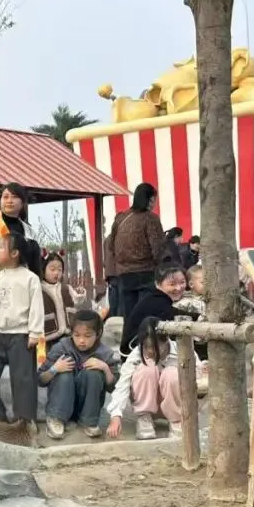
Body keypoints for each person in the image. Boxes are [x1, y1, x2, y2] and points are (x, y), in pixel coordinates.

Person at [0, 233, 44, 433]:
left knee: (23, 378)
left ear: (15, 253)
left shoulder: (30, 278)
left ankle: (24, 419)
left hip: (21, 334)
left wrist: (35, 332)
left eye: (2, 247)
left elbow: (37, 307)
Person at [40, 310, 118, 439]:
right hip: (61, 405)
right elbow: (40, 380)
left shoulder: (104, 353)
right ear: (71, 333)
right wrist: (54, 369)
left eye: (87, 336)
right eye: (77, 335)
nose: (81, 340)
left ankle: (88, 422)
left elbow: (114, 388)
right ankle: (56, 419)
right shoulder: (61, 347)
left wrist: (105, 368)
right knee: (64, 373)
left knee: (94, 373)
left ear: (98, 334)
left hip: (86, 408)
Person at [107, 316, 183, 441]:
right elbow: (123, 384)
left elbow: (198, 379)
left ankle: (176, 421)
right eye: (146, 346)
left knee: (172, 373)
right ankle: (144, 417)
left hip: (175, 406)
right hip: (148, 405)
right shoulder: (136, 354)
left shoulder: (180, 351)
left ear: (165, 340)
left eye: (154, 346)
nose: (149, 351)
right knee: (147, 367)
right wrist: (116, 415)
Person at [105, 182, 166, 323]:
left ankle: (128, 337)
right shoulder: (150, 218)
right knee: (146, 316)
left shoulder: (120, 218)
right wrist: (161, 266)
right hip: (146, 273)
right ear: (151, 199)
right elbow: (158, 248)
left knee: (129, 317)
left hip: (124, 274)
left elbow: (111, 245)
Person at [120, 263, 190, 356]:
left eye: (182, 282)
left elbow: (175, 312)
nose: (178, 288)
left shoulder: (154, 296)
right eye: (172, 284)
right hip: (136, 353)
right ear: (157, 284)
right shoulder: (158, 302)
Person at [41, 251, 80, 346]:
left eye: (60, 269)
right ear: (43, 269)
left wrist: (80, 293)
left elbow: (77, 300)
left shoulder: (66, 288)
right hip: (47, 336)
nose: (56, 273)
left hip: (67, 333)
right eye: (52, 269)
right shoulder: (38, 289)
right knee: (46, 355)